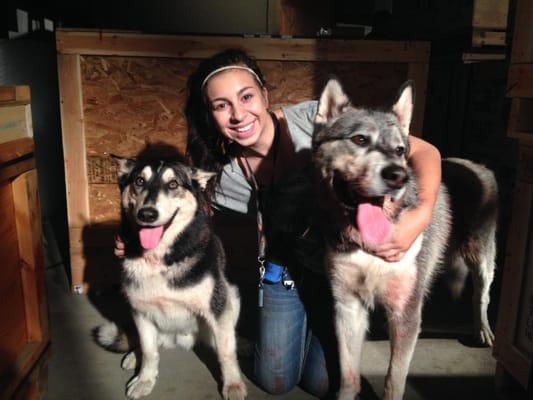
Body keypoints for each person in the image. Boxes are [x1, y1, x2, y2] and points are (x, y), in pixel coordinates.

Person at [117, 48, 442, 398]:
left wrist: (421, 215)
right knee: (274, 381)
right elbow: (182, 217)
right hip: (283, 267)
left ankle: (313, 327)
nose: (239, 114)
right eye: (221, 105)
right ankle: (300, 326)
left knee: (320, 384)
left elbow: (424, 152)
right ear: (210, 115)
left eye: (246, 97)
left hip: (334, 264)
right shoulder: (223, 175)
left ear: (264, 96)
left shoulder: (312, 119)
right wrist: (136, 234)